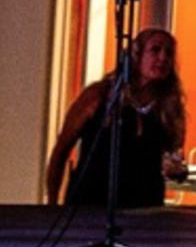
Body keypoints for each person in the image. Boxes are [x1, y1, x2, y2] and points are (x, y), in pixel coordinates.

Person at [46, 26, 187, 209]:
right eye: (155, 50)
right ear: (137, 55)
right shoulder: (99, 96)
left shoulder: (168, 107)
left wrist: (174, 168)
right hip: (91, 202)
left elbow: (172, 153)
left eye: (169, 53)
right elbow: (61, 150)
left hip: (144, 206)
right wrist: (51, 203)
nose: (163, 58)